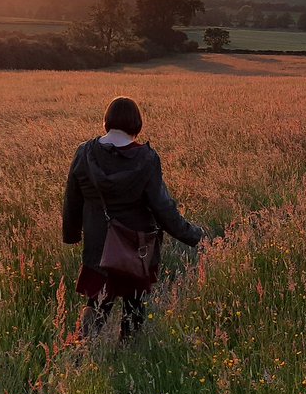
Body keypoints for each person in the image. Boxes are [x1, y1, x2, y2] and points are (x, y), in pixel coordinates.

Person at [63, 96, 205, 340]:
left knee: (96, 305)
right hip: (136, 246)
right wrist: (194, 236)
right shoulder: (146, 159)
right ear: (136, 124)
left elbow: (72, 199)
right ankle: (127, 355)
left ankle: (80, 356)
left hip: (98, 247)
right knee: (134, 309)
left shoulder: (85, 152)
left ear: (106, 122)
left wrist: (72, 235)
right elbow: (163, 208)